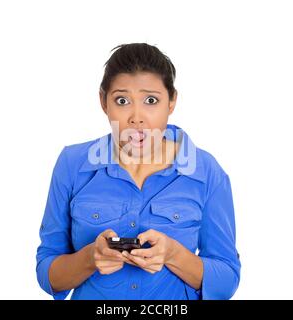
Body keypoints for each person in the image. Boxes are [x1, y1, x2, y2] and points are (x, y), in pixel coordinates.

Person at [36, 43, 241, 300]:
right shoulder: (71, 164)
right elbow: (48, 274)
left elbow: (226, 281)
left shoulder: (206, 171)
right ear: (103, 102)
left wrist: (173, 254)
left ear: (172, 101)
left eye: (151, 100)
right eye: (122, 100)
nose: (136, 117)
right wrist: (89, 259)